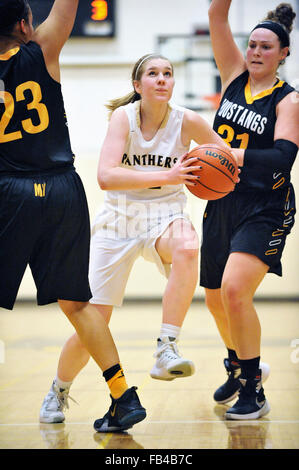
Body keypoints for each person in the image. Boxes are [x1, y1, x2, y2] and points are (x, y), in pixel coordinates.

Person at [40, 52, 234, 425]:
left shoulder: (187, 121)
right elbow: (106, 177)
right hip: (118, 221)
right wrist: (170, 175)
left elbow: (224, 155)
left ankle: (166, 347)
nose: (162, 79)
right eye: (153, 73)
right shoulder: (122, 119)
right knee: (93, 322)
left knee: (189, 244)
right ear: (137, 85)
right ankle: (59, 390)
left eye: (168, 73)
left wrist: (238, 169)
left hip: (165, 216)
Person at [0, 0, 146, 433]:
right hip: (62, 188)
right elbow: (67, 6)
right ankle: (123, 395)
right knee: (79, 304)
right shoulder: (42, 48)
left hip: (9, 189)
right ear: (26, 24)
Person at [201, 0, 298, 419]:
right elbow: (216, 16)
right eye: (252, 45)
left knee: (236, 291)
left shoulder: (289, 101)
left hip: (266, 206)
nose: (256, 52)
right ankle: (238, 365)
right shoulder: (233, 77)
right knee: (214, 298)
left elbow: (281, 157)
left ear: (283, 54)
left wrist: (229, 155)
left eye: (266, 47)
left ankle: (253, 389)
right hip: (223, 201)